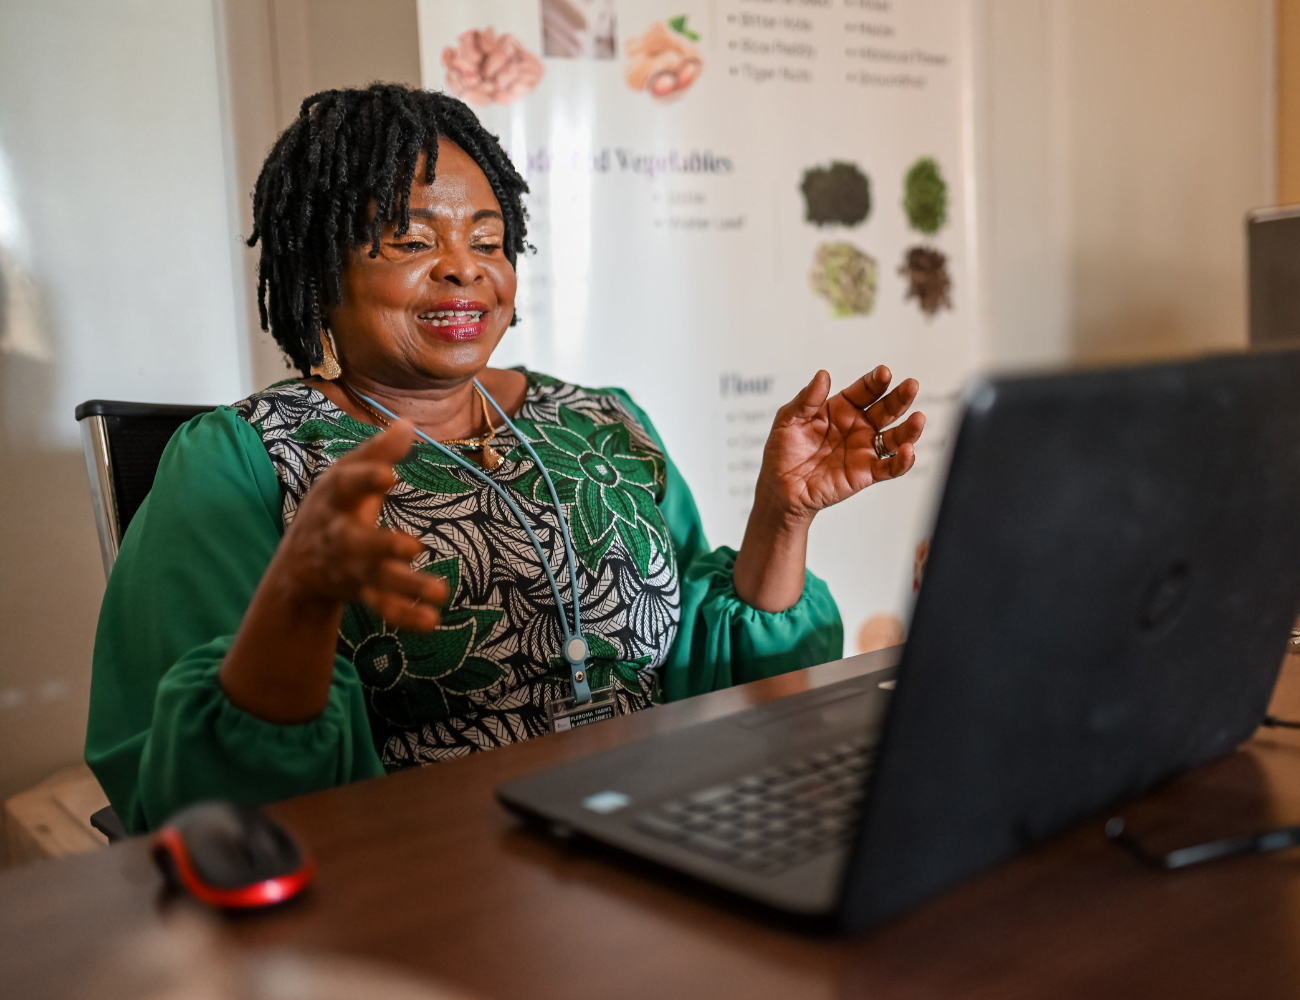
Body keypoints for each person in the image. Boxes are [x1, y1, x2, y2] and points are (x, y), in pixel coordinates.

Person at [85, 84, 924, 834]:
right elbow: (203, 803)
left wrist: (784, 517)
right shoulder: (240, 462)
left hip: (663, 837)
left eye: (488, 242)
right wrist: (301, 598)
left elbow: (728, 687)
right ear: (318, 271)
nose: (464, 270)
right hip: (427, 883)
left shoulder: (602, 424)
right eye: (410, 242)